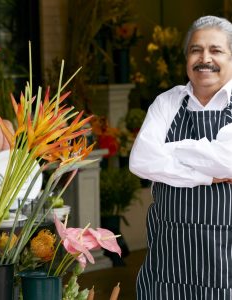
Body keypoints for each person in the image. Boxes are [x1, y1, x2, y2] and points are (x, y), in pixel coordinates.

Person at [129, 15, 232, 299]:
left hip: (225, 263)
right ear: (187, 56)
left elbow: (227, 160)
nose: (205, 58)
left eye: (216, 50)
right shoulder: (167, 102)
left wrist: (170, 149)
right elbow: (140, 160)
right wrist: (204, 175)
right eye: (196, 50)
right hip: (169, 261)